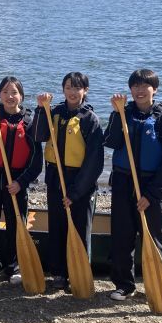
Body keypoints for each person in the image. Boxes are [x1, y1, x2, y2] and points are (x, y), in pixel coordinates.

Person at [103, 68, 162, 301]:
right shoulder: (122, 114)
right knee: (122, 236)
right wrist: (117, 114)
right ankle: (124, 285)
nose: (139, 90)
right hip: (124, 183)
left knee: (154, 238)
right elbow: (112, 141)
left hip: (152, 186)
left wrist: (152, 194)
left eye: (144, 86)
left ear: (154, 90)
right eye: (134, 86)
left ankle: (154, 283)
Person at [28, 71, 104, 290]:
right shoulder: (55, 113)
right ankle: (58, 272)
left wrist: (76, 192)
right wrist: (42, 109)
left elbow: (94, 162)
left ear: (85, 91)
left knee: (80, 229)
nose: (72, 91)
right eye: (68, 87)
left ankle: (78, 273)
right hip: (55, 179)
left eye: (77, 87)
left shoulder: (90, 120)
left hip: (81, 181)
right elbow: (39, 135)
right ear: (63, 90)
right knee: (58, 227)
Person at [0, 76, 42, 285]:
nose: (10, 96)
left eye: (14, 92)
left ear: (21, 95)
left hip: (17, 182)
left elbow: (37, 162)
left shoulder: (29, 122)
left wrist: (21, 182)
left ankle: (13, 265)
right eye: (5, 92)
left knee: (16, 224)